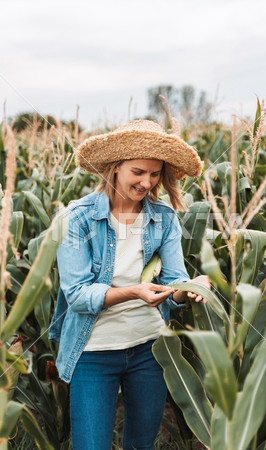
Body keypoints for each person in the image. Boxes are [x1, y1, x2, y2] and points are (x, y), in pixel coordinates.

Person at [49, 118, 210, 450]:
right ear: (115, 167)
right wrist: (133, 292)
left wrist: (192, 287)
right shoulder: (75, 219)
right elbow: (78, 295)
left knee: (141, 445)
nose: (147, 182)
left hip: (149, 350)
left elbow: (173, 284)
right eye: (138, 172)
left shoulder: (163, 218)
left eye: (154, 174)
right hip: (93, 352)